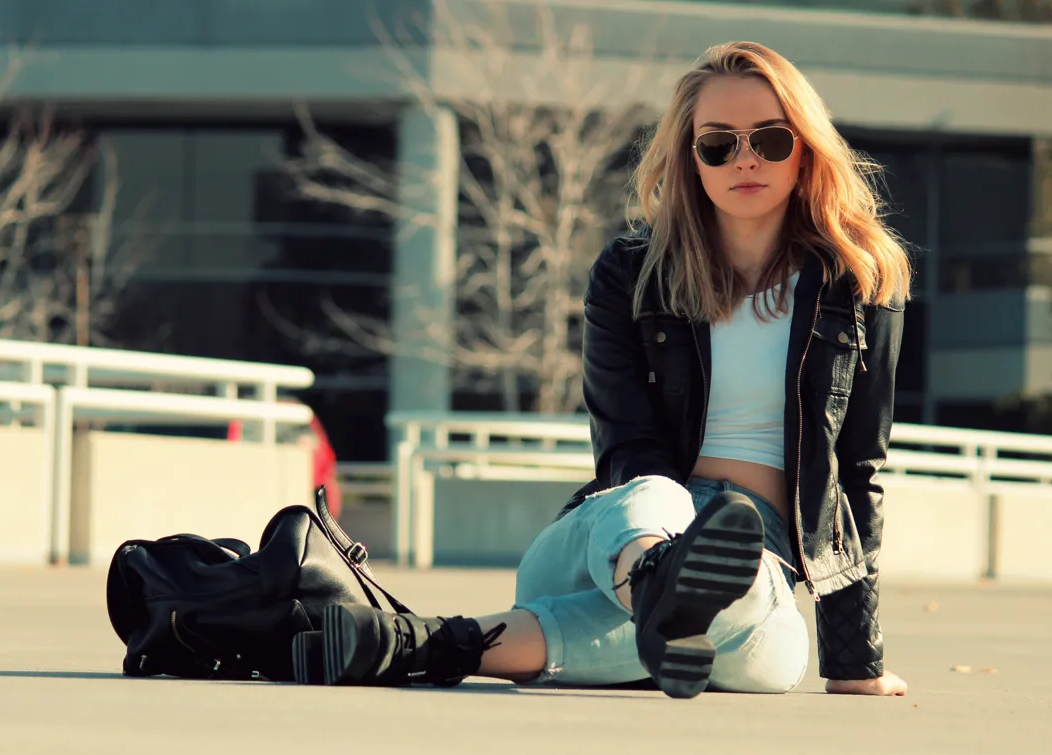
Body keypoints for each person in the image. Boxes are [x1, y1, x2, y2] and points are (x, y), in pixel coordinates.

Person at [309, 41, 911, 699]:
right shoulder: (631, 275)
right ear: (690, 159)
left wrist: (857, 660)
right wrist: (652, 549)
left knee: (772, 655)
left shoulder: (859, 281)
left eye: (769, 138)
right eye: (719, 144)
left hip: (756, 553)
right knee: (659, 504)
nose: (745, 158)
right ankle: (654, 578)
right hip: (612, 537)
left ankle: (414, 642)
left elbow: (858, 468)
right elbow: (626, 447)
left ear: (806, 146)